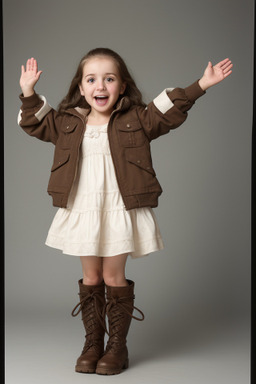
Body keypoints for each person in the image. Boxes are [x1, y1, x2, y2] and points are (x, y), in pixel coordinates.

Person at [18, 48, 232, 375]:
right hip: (84, 207)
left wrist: (201, 84)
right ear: (80, 87)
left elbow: (166, 108)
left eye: (109, 78)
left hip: (119, 206)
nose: (100, 85)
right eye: (91, 79)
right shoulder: (67, 122)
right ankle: (93, 344)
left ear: (121, 85)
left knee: (111, 275)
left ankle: (117, 348)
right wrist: (29, 92)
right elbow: (35, 121)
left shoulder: (137, 118)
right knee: (91, 276)